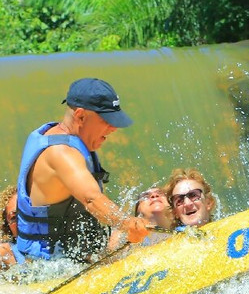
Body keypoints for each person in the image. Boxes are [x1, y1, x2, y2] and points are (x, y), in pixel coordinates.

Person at [15, 77, 149, 262]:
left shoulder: (64, 136)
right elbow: (92, 199)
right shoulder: (61, 152)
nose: (114, 128)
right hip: (49, 271)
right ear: (80, 115)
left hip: (77, 261)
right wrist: (127, 224)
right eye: (107, 120)